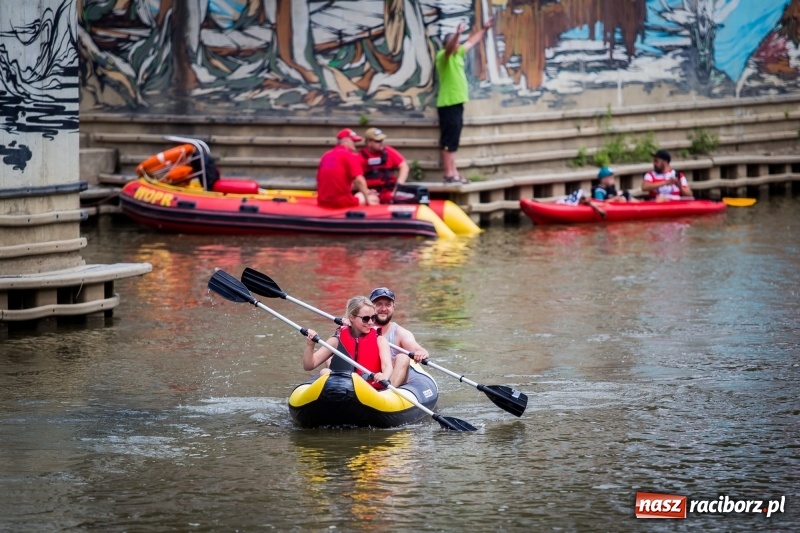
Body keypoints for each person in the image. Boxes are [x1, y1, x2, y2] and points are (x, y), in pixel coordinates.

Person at [435, 17, 494, 184]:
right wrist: (457, 34)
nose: (459, 45)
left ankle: (454, 172)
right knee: (449, 141)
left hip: (457, 103)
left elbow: (472, 42)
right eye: (456, 43)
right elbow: (448, 49)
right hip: (448, 103)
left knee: (453, 140)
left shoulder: (458, 54)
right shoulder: (443, 56)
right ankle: (449, 174)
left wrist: (485, 29)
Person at [304, 296, 391, 388]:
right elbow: (309, 366)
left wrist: (384, 375)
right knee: (325, 372)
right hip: (341, 387)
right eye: (365, 319)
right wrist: (310, 345)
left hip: (369, 389)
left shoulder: (380, 340)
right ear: (352, 317)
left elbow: (387, 366)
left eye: (373, 318)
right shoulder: (337, 340)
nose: (370, 322)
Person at [369, 287, 430, 387]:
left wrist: (421, 353)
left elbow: (419, 349)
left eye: (388, 305)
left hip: (393, 380)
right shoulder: (361, 327)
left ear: (393, 307)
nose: (383, 309)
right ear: (370, 307)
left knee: (403, 357)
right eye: (379, 304)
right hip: (368, 376)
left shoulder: (400, 333)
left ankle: (388, 390)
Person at [316, 129, 379, 208]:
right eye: (353, 141)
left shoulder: (326, 155)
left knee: (362, 193)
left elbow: (323, 181)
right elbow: (359, 180)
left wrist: (367, 191)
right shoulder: (349, 155)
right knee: (372, 197)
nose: (355, 144)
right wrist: (367, 198)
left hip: (322, 201)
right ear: (345, 141)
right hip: (341, 203)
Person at [359, 127, 411, 204]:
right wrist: (366, 191)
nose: (381, 143)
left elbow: (404, 166)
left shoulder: (388, 151)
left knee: (411, 197)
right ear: (369, 142)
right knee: (360, 199)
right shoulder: (360, 157)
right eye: (378, 141)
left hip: (389, 191)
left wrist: (399, 186)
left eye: (382, 140)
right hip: (372, 193)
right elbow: (356, 179)